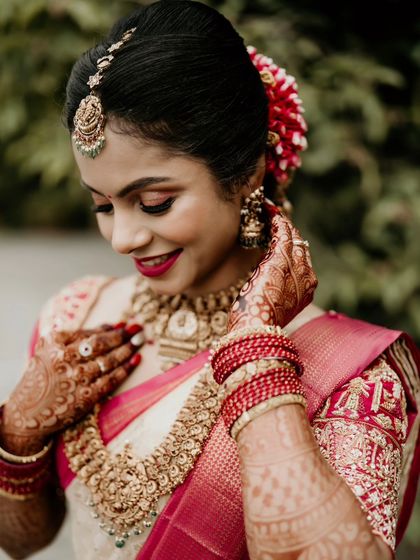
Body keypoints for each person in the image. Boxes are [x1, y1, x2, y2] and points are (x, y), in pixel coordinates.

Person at [0, 1, 418, 559]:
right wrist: (18, 438)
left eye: (155, 202)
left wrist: (256, 356)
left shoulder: (358, 379)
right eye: (102, 206)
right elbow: (22, 541)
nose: (123, 238)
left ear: (246, 173)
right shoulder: (75, 322)